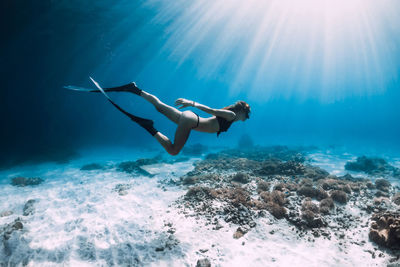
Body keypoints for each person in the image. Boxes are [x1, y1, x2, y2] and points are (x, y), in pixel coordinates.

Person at [86, 80, 250, 156]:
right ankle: (149, 126)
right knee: (173, 151)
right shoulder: (231, 115)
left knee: (159, 106)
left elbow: (212, 112)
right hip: (191, 121)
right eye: (247, 114)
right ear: (241, 111)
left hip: (190, 119)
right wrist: (191, 102)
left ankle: (135, 89)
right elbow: (211, 109)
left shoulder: (232, 117)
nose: (246, 118)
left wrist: (191, 106)